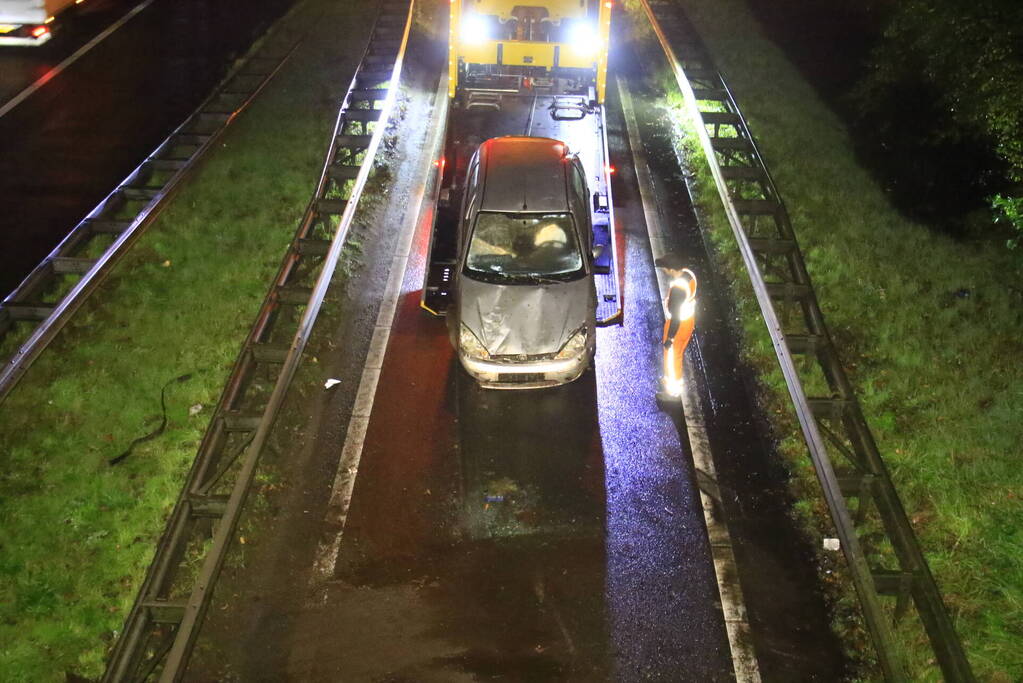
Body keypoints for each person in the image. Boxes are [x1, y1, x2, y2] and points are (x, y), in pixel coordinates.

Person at [661, 267, 697, 397]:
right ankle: (672, 384)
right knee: (678, 354)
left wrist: (670, 338)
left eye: (665, 269)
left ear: (672, 269)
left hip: (678, 327)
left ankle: (673, 392)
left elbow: (675, 316)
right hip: (688, 322)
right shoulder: (689, 275)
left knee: (672, 357)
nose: (664, 272)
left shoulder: (678, 289)